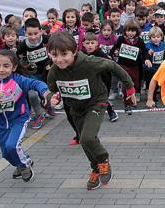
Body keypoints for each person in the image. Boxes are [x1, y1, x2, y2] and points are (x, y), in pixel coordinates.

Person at [46, 32, 136, 190]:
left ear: (74, 51)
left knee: (87, 137)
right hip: (76, 108)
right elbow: (53, 90)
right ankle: (95, 168)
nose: (59, 59)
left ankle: (103, 160)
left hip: (97, 102)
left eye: (64, 54)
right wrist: (54, 98)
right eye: (54, 55)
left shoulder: (89, 62)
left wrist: (129, 88)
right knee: (84, 141)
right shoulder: (54, 71)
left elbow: (113, 66)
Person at [0, 51, 50, 182]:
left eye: (6, 66)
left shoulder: (18, 80)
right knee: (6, 153)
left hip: (18, 119)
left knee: (12, 146)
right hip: (0, 122)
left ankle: (24, 166)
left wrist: (45, 92)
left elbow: (35, 84)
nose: (1, 69)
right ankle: (24, 162)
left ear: (13, 67)